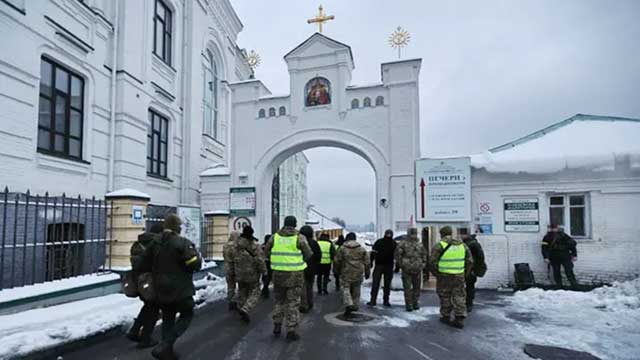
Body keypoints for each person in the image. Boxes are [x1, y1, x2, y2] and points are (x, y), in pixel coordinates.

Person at [146, 214, 202, 359]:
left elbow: (142, 263)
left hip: (160, 288)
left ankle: (167, 352)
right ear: (177, 227)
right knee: (187, 313)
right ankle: (166, 344)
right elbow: (194, 263)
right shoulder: (182, 242)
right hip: (180, 288)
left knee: (168, 317)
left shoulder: (154, 243)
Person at [264, 216, 313, 341]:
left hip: (278, 274)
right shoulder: (299, 238)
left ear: (284, 224)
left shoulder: (275, 237)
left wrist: (276, 260)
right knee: (293, 302)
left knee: (279, 301)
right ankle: (291, 330)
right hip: (295, 275)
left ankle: (277, 325)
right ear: (295, 225)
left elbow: (266, 252)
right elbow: (308, 254)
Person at [126, 223, 163, 348]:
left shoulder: (137, 244)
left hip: (139, 281)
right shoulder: (155, 245)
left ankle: (134, 330)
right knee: (154, 309)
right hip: (151, 281)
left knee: (148, 306)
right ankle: (146, 339)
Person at [430, 226, 473, 329]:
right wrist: (465, 273)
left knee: (445, 295)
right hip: (459, 275)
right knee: (459, 295)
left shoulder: (439, 245)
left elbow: (432, 262)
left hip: (444, 275)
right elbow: (470, 261)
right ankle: (459, 318)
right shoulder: (462, 245)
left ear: (442, 234)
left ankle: (446, 316)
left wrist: (437, 274)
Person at [232, 226, 266, 323]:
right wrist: (264, 271)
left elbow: (231, 257)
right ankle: (246, 309)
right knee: (256, 292)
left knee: (242, 291)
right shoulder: (255, 246)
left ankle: (241, 307)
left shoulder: (236, 245)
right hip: (252, 274)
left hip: (239, 273)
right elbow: (260, 260)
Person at [333, 232, 370, 316]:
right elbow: (367, 262)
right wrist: (367, 272)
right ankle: (355, 305)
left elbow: (337, 260)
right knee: (357, 289)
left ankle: (349, 303)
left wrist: (336, 270)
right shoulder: (361, 249)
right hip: (358, 272)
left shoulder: (342, 248)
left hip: (346, 271)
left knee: (346, 288)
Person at [395, 228, 427, 312]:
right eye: (412, 233)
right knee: (410, 288)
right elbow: (398, 256)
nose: (413, 235)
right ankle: (410, 304)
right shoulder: (404, 244)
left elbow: (424, 256)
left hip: (415, 269)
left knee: (414, 288)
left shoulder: (419, 244)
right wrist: (402, 265)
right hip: (409, 269)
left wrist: (422, 265)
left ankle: (414, 303)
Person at [541, 224, 578, 289]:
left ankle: (574, 285)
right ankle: (559, 286)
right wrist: (545, 257)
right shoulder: (546, 237)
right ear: (550, 229)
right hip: (554, 256)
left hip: (565, 255)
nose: (553, 229)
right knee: (556, 271)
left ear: (557, 228)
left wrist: (574, 255)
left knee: (569, 271)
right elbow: (544, 248)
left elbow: (572, 245)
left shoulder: (563, 235)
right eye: (552, 228)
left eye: (554, 228)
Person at [367, 229, 396, 307]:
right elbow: (397, 256)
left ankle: (373, 300)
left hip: (379, 265)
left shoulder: (379, 242)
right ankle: (385, 301)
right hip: (388, 266)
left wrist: (371, 263)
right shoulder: (394, 243)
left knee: (376, 284)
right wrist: (397, 266)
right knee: (387, 285)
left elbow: (373, 253)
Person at [299, 226, 321, 313]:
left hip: (301, 267)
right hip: (312, 268)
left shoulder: (299, 242)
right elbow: (318, 256)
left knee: (303, 287)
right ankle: (310, 302)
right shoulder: (314, 243)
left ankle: (304, 305)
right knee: (310, 286)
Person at [463, 233, 486, 312]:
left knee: (469, 287)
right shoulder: (471, 243)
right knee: (469, 287)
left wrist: (474, 269)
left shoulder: (472, 244)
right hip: (469, 269)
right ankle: (467, 303)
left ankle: (468, 304)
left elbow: (480, 257)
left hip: (471, 269)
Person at [223, 231, 239, 310]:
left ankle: (230, 301)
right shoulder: (237, 245)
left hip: (227, 267)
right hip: (236, 267)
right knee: (241, 285)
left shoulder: (225, 245)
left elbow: (224, 256)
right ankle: (235, 300)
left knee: (230, 286)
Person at [261, 234, 273, 298]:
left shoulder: (262, 246)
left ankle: (265, 290)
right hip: (269, 263)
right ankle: (265, 290)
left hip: (264, 263)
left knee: (265, 277)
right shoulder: (270, 247)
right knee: (268, 277)